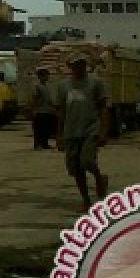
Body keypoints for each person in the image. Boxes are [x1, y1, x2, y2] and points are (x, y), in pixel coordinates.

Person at [56, 55, 109, 211]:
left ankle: (100, 178)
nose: (78, 68)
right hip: (71, 132)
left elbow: (104, 108)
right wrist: (59, 135)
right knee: (76, 169)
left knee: (87, 161)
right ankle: (86, 199)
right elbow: (61, 111)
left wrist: (103, 131)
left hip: (90, 129)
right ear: (70, 66)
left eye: (81, 65)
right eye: (75, 65)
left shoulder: (95, 83)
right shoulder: (63, 86)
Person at [29, 66, 57, 150]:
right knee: (39, 129)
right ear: (40, 76)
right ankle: (37, 145)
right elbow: (35, 98)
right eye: (45, 75)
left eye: (47, 75)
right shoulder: (37, 86)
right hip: (40, 111)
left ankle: (45, 144)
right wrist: (34, 110)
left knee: (46, 129)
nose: (47, 77)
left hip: (47, 111)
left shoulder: (47, 87)